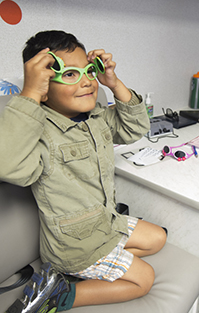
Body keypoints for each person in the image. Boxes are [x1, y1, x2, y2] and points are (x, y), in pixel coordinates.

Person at [1, 30, 167, 312]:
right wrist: (29, 94)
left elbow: (136, 128)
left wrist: (114, 83)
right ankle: (59, 295)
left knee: (158, 238)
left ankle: (92, 268)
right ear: (43, 87)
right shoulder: (39, 131)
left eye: (89, 71)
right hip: (75, 245)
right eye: (69, 74)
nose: (87, 81)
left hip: (105, 222)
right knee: (145, 279)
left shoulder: (97, 117)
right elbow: (9, 165)